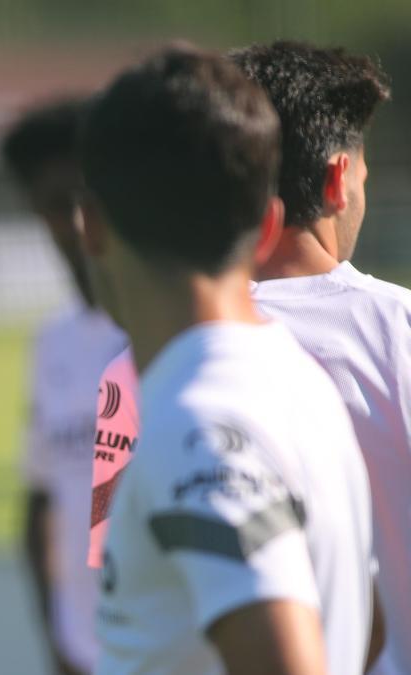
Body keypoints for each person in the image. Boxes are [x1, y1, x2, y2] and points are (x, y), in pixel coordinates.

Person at [85, 41, 400, 673]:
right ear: (264, 224)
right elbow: (368, 624)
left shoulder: (200, 419)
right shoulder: (297, 379)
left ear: (92, 226)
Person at [0, 99, 125, 675]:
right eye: (56, 206)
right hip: (83, 652)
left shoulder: (161, 331)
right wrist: (57, 637)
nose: (75, 223)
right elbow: (41, 500)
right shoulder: (54, 341)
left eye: (86, 200)